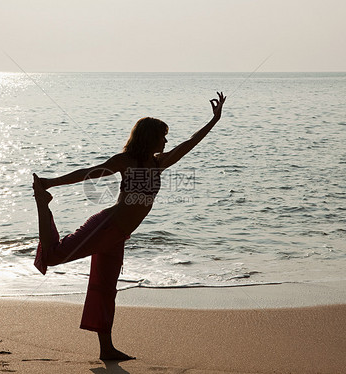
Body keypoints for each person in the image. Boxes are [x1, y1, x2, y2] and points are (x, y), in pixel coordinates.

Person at [32, 92, 226, 361]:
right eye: (162, 136)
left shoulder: (158, 163)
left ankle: (106, 349)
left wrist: (213, 120)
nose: (166, 141)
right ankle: (43, 201)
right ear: (149, 137)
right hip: (106, 226)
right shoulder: (126, 162)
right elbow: (88, 173)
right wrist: (51, 182)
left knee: (105, 288)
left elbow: (190, 143)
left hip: (119, 235)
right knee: (53, 256)